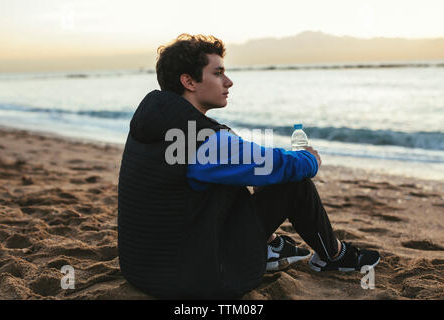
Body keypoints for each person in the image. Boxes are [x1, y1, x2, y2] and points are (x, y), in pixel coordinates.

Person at [117, 34, 380, 299]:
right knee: (293, 181)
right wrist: (310, 160)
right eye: (218, 73)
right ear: (189, 81)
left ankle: (271, 246)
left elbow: (241, 164)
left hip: (143, 267)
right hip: (197, 277)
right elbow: (277, 165)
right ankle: (333, 255)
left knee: (236, 174)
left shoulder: (156, 122)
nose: (228, 82)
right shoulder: (203, 140)